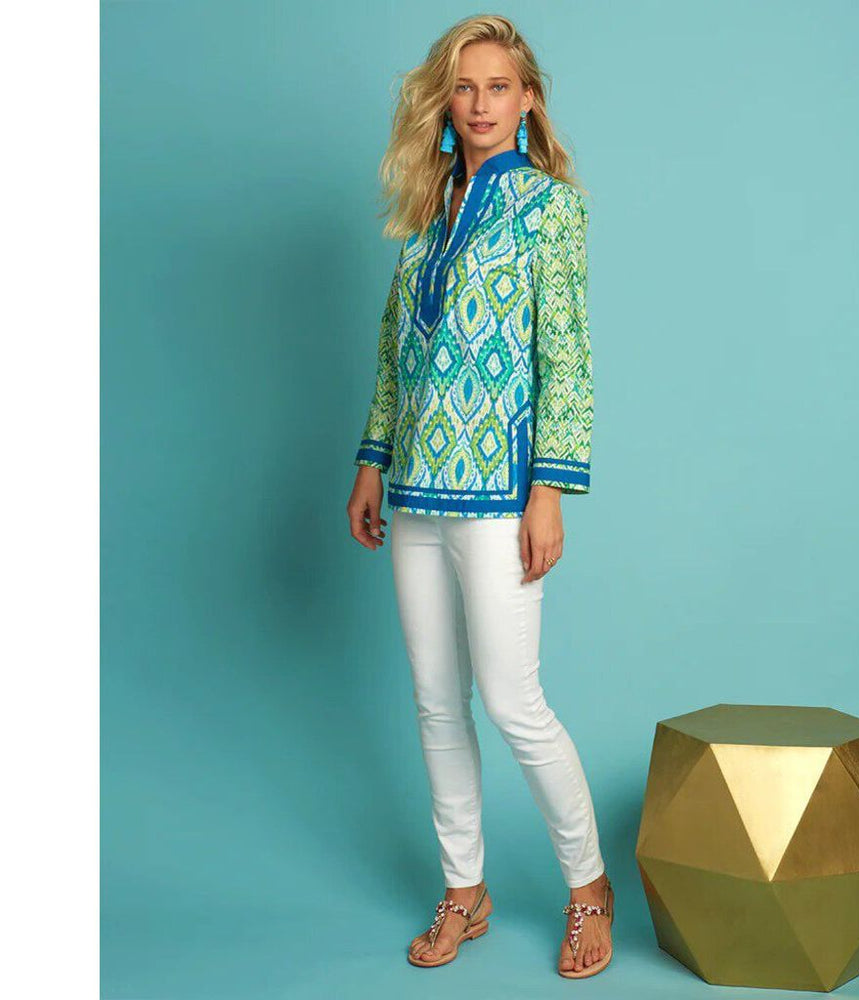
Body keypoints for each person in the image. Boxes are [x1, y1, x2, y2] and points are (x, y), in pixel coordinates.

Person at [346, 14, 613, 979]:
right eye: (465, 87)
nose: (481, 103)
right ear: (445, 101)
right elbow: (394, 352)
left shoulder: (550, 209)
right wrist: (372, 461)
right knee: (435, 703)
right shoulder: (427, 211)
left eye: (499, 86)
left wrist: (551, 491)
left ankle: (589, 888)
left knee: (513, 701)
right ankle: (466, 890)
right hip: (415, 491)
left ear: (527, 99)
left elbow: (566, 358)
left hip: (500, 493)